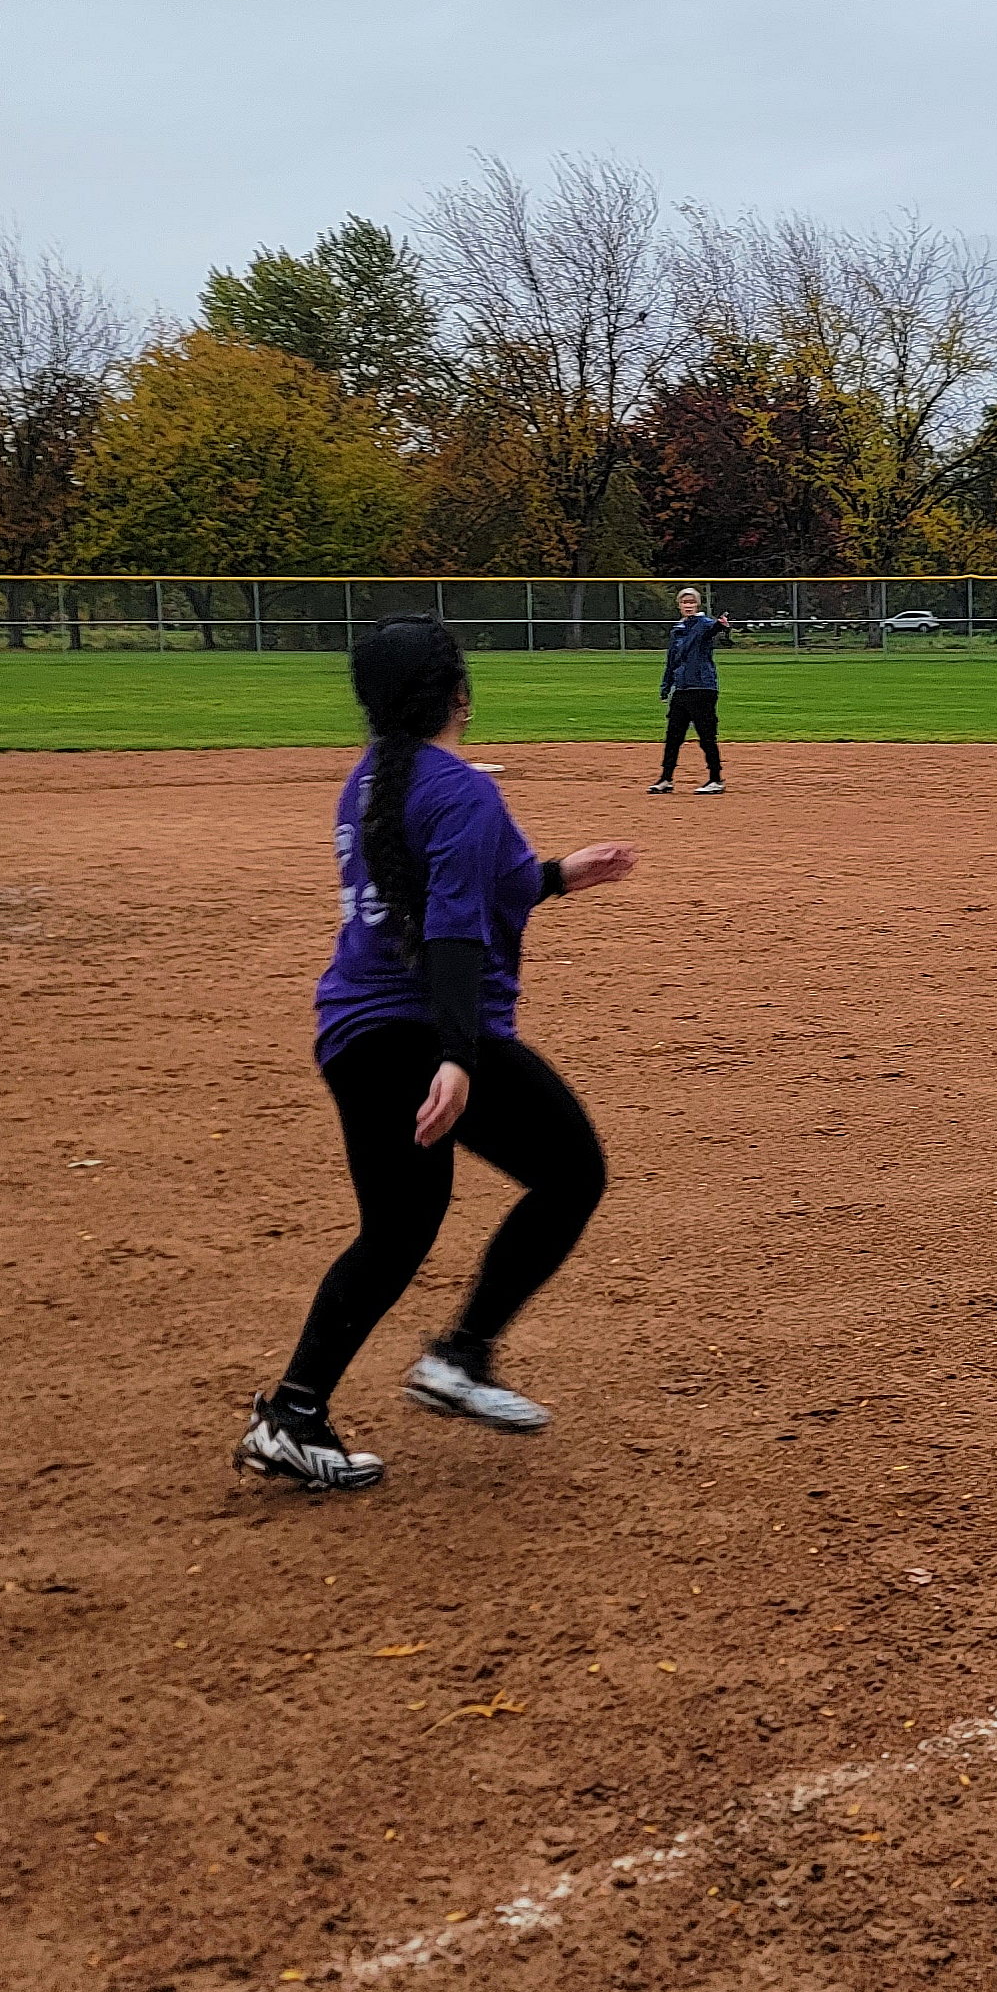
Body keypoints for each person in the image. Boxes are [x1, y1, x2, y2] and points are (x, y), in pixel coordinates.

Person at [236, 617, 635, 1495]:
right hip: (422, 1033)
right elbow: (452, 929)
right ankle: (460, 1356)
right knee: (572, 1172)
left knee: (396, 1232)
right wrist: (456, 1056)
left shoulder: (369, 782)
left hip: (357, 1032)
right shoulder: (461, 792)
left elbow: (462, 889)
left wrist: (560, 875)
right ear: (458, 693)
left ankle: (293, 1414)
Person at [651, 584, 732, 794]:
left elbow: (713, 630)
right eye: (684, 602)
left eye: (692, 601)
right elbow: (671, 661)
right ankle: (666, 779)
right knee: (673, 737)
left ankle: (716, 779)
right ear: (679, 605)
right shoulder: (677, 630)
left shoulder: (704, 624)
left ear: (697, 604)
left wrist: (721, 626)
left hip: (703, 688)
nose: (688, 605)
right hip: (682, 689)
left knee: (706, 736)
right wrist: (666, 686)